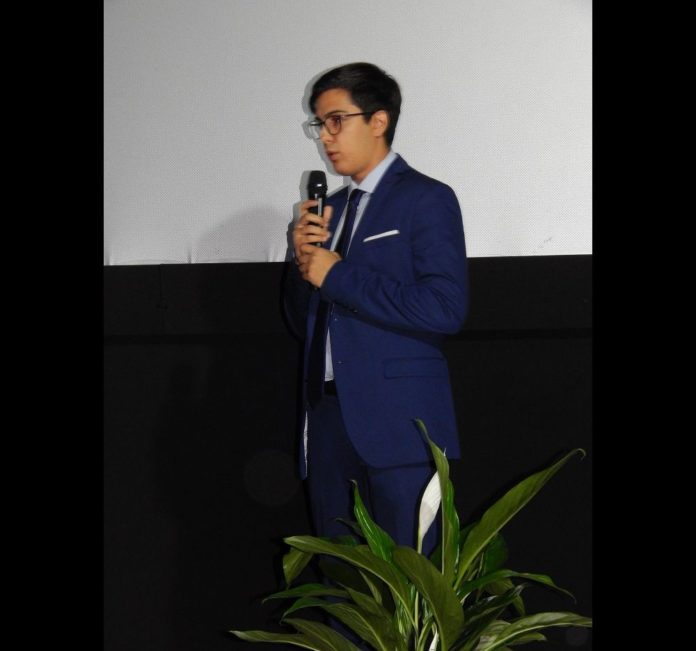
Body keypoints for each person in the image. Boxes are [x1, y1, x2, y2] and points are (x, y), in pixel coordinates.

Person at [283, 62, 468, 556]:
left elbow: (445, 307)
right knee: (340, 584)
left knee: (412, 581)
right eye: (320, 124)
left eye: (336, 120)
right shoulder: (330, 211)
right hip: (328, 422)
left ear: (378, 121)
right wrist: (300, 263)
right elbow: (301, 323)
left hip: (400, 425)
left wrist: (337, 275)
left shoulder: (426, 199)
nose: (326, 136)